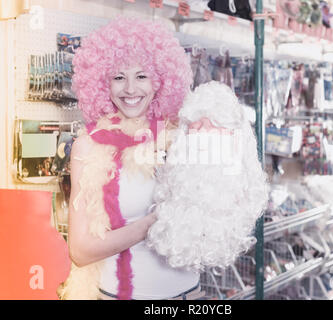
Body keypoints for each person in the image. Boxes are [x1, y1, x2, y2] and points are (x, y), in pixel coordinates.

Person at [57, 17, 220, 300]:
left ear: (160, 81)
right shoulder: (88, 146)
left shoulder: (182, 136)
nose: (131, 89)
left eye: (142, 76)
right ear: (102, 83)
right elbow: (80, 251)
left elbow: (219, 210)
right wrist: (152, 223)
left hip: (190, 296)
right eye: (119, 77)